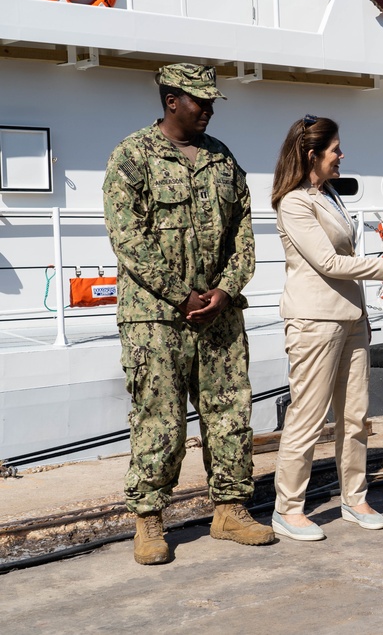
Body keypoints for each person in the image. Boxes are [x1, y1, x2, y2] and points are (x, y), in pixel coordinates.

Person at [103, 63, 274, 565]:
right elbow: (127, 239)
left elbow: (243, 232)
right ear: (172, 100)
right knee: (160, 419)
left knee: (229, 413)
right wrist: (180, 295)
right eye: (200, 101)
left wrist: (225, 289)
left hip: (219, 315)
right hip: (155, 319)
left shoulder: (222, 159)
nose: (209, 109)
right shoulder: (132, 157)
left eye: (212, 101)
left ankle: (230, 508)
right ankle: (150, 518)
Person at [270, 115, 383, 541]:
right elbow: (328, 263)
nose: (342, 155)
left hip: (352, 318)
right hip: (315, 321)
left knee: (355, 416)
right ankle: (288, 509)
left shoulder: (329, 194)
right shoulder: (295, 202)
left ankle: (354, 498)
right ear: (311, 154)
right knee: (307, 416)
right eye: (335, 149)